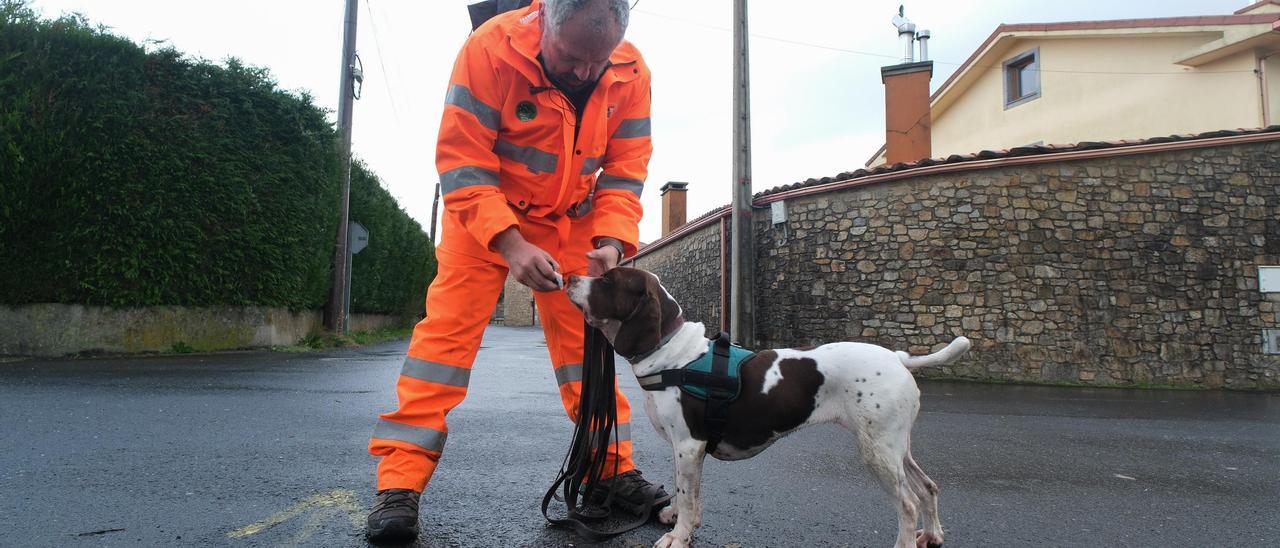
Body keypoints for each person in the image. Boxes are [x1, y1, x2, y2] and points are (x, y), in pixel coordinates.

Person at [365, 0, 667, 543]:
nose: (584, 72)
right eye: (572, 56)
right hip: (483, 218)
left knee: (588, 355)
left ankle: (609, 472)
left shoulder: (632, 71)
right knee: (442, 350)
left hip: (573, 225)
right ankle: (399, 484)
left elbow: (625, 170)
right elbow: (462, 162)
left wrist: (610, 241)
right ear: (546, 17)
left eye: (597, 61)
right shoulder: (490, 50)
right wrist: (510, 243)